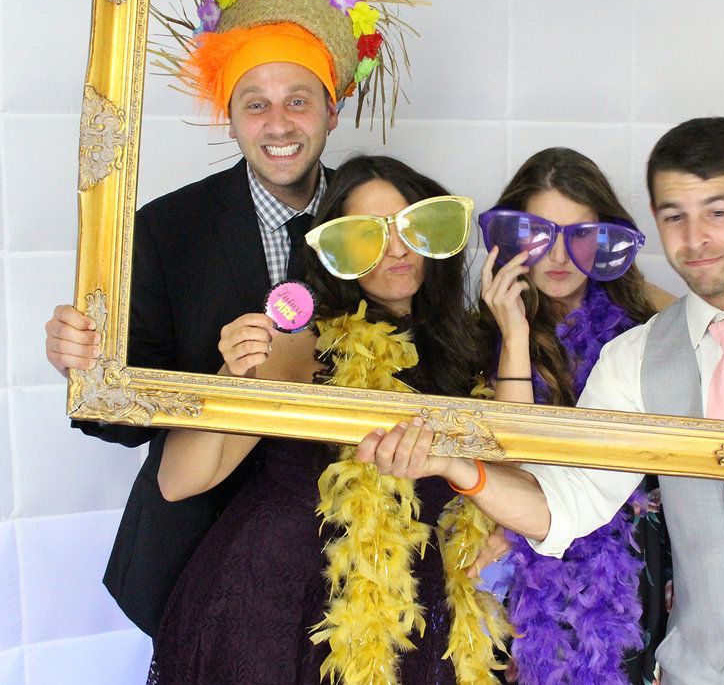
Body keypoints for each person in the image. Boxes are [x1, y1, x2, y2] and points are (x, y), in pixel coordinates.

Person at [356, 118, 724, 683]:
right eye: (675, 217)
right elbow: (565, 506)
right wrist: (454, 464)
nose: (695, 238)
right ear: (655, 224)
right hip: (691, 666)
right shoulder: (635, 358)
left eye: (717, 211)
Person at [42, 0, 414, 637]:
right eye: (256, 104)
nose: (278, 123)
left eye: (298, 101)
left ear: (332, 107)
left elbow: (421, 363)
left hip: (353, 561)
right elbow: (126, 420)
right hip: (199, 556)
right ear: (232, 115)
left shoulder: (380, 219)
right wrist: (84, 364)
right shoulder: (163, 231)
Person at [149, 155, 510, 684]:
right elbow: (180, 481)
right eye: (365, 237)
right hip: (278, 604)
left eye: (414, 227)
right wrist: (232, 375)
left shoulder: (472, 346)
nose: (396, 249)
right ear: (334, 251)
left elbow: (515, 467)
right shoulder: (304, 345)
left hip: (410, 611)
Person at [477, 147, 672, 684]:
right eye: (541, 235)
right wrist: (514, 335)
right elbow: (511, 458)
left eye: (581, 234)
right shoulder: (480, 331)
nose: (559, 256)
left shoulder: (644, 318)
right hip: (523, 560)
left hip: (624, 562)